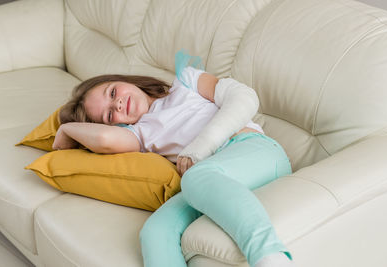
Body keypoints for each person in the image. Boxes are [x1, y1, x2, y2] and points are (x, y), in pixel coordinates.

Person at [54, 51, 294, 267]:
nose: (117, 103)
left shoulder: (185, 82)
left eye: (113, 92)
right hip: (211, 183)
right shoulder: (138, 134)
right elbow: (105, 138)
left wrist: (200, 148)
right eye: (109, 114)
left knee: (194, 176)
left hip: (257, 152)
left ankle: (271, 257)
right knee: (155, 231)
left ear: (125, 80)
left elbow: (244, 97)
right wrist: (66, 129)